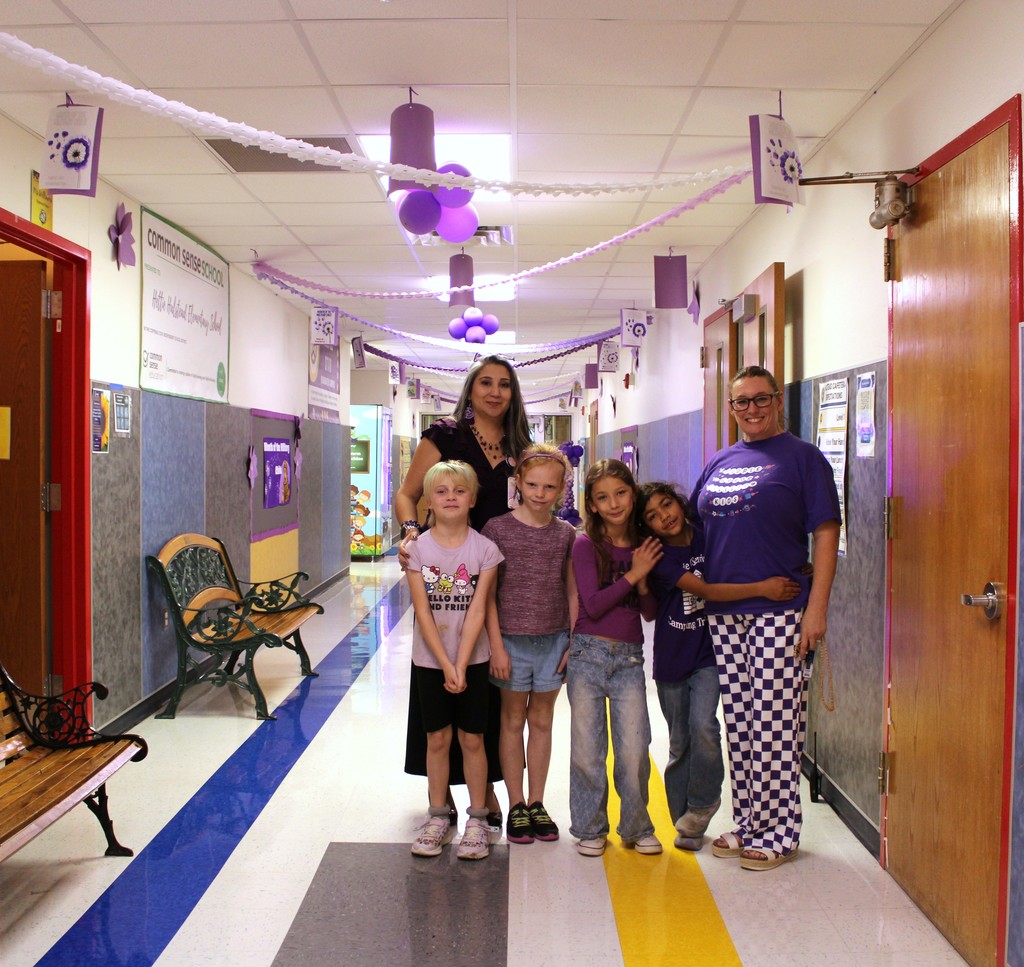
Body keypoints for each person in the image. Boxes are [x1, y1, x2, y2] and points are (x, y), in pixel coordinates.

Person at [690, 365, 841, 872]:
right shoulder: (721, 460)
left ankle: (780, 831)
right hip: (725, 610)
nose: (751, 409)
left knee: (776, 721)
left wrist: (815, 607)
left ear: (777, 401)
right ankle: (750, 819)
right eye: (741, 402)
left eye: (761, 399)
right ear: (730, 408)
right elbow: (695, 529)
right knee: (740, 721)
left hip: (780, 608)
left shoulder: (803, 459)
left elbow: (824, 533)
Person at [395, 355, 533, 838]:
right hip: (444, 571)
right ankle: (445, 803)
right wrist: (412, 534)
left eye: (504, 385)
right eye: (485, 383)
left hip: (497, 567)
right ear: (471, 389)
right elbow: (407, 494)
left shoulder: (521, 447)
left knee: (487, 682)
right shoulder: (446, 436)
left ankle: (488, 789)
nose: (495, 392)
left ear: (513, 394)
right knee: (444, 675)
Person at [636, 481, 800, 851]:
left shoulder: (710, 533)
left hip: (712, 652)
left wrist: (788, 568)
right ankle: (686, 825)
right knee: (680, 743)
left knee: (705, 726)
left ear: (680, 502)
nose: (665, 516)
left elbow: (748, 550)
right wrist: (764, 588)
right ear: (646, 527)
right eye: (653, 516)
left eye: (667, 505)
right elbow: (707, 592)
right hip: (672, 659)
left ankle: (703, 803)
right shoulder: (659, 557)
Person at [406, 460, 503, 860]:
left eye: (459, 491)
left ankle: (477, 820)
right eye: (441, 491)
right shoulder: (417, 550)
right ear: (429, 499)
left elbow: (479, 610)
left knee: (473, 739)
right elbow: (423, 611)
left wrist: (462, 664)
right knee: (437, 738)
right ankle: (437, 816)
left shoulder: (485, 549)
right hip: (431, 662)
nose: (450, 497)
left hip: (473, 661)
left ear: (472, 498)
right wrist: (446, 665)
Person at [482, 443, 577, 845]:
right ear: (517, 482)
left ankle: (537, 802)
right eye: (533, 484)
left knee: (542, 721)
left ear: (562, 489)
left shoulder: (567, 534)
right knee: (511, 721)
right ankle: (516, 802)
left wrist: (573, 640)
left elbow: (572, 590)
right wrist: (496, 646)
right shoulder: (497, 529)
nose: (540, 493)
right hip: (509, 642)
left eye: (550, 487)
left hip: (553, 640)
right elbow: (486, 595)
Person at [567, 459, 663, 858]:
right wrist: (633, 573)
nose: (614, 503)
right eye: (603, 497)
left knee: (634, 748)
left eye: (621, 493)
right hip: (587, 656)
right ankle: (590, 827)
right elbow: (592, 603)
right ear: (590, 504)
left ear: (633, 493)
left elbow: (650, 612)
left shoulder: (646, 544)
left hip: (629, 659)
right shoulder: (585, 544)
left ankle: (636, 826)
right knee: (588, 751)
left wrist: (641, 579)